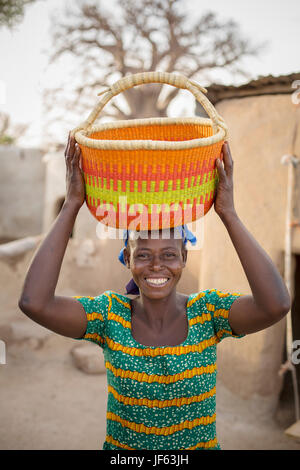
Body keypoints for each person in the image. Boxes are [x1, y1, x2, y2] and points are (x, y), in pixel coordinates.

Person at [18, 135, 291, 450]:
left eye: (170, 254)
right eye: (144, 254)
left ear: (184, 259)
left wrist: (228, 213)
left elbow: (276, 305)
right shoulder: (109, 316)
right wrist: (71, 205)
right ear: (129, 259)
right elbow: (33, 303)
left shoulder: (208, 313)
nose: (157, 265)